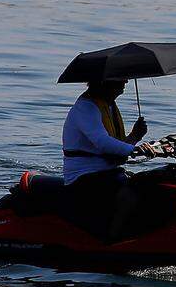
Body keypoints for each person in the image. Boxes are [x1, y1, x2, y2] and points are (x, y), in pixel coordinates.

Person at [62, 79, 149, 238]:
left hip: (107, 171)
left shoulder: (108, 106)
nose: (125, 83)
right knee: (129, 194)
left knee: (147, 183)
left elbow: (116, 148)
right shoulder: (86, 108)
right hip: (83, 176)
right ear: (104, 83)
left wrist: (135, 136)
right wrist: (135, 149)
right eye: (120, 80)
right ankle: (110, 239)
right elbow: (102, 142)